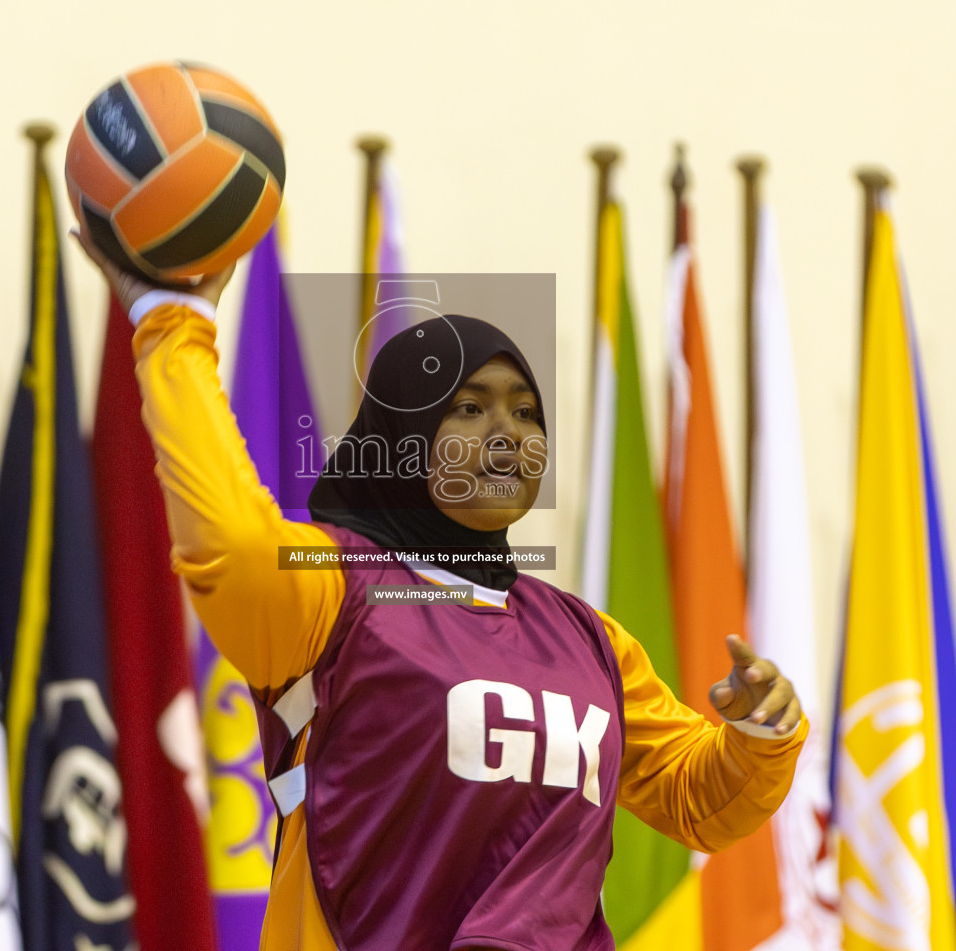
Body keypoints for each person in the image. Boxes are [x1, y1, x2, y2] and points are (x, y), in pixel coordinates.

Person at [78, 236, 807, 951]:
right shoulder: (332, 593)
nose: (508, 434)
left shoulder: (590, 640)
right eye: (469, 408)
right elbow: (229, 540)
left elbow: (696, 798)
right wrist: (173, 325)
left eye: (527, 413)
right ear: (400, 433)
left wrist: (758, 737)